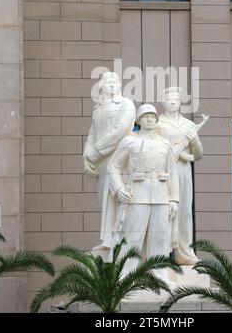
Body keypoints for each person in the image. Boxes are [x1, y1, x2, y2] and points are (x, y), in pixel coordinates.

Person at [107, 104, 179, 279]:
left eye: (153, 116)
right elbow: (113, 167)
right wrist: (119, 188)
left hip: (161, 197)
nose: (149, 119)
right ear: (139, 120)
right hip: (137, 196)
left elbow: (173, 174)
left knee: (160, 239)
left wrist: (174, 200)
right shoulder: (130, 141)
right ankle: (125, 276)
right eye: (146, 116)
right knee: (132, 238)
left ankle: (160, 276)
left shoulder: (164, 144)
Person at [83, 72, 136, 249]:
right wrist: (86, 158)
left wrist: (95, 153)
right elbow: (92, 134)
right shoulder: (98, 108)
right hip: (102, 163)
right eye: (108, 82)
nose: (112, 85)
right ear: (101, 87)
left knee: (118, 198)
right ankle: (108, 241)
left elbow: (119, 132)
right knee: (104, 199)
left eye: (115, 82)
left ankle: (121, 242)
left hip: (119, 159)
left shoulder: (126, 104)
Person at [156, 87, 207, 265]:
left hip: (183, 172)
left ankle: (184, 251)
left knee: (184, 211)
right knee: (162, 210)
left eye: (176, 99)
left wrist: (193, 145)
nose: (173, 102)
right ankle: (160, 253)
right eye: (169, 99)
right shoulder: (157, 123)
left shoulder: (188, 125)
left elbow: (198, 155)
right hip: (163, 171)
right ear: (163, 102)